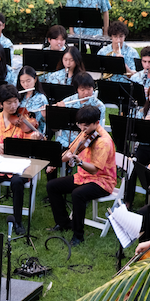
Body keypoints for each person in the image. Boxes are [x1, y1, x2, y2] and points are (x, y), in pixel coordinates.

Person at [47, 104, 117, 246]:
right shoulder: (85, 132)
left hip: (102, 181)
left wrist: (79, 162)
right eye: (80, 125)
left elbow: (94, 170)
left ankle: (78, 235)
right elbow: (70, 151)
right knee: (52, 186)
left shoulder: (104, 141)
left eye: (85, 126)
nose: (82, 129)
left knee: (78, 194)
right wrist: (56, 162)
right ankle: (64, 223)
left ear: (96, 123)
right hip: (83, 177)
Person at [0, 84, 42, 231]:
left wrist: (34, 139)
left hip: (20, 165)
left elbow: (32, 149)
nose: (14, 106)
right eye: (9, 103)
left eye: (16, 101)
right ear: (0, 104)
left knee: (16, 182)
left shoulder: (24, 121)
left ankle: (18, 221)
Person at [17, 66, 49, 136]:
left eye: (28, 81)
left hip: (34, 132)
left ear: (35, 79)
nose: (26, 84)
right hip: (18, 130)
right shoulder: (18, 97)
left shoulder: (41, 98)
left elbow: (45, 122)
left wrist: (45, 116)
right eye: (22, 82)